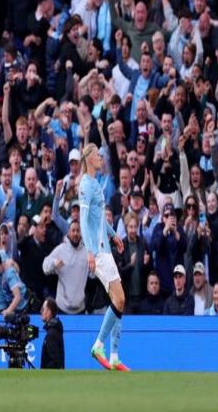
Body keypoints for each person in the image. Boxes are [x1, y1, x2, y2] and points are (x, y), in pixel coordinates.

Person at [79, 143, 129, 372]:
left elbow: (99, 218)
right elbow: (83, 220)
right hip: (98, 251)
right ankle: (98, 345)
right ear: (89, 159)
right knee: (119, 299)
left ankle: (115, 356)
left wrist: (113, 234)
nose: (101, 158)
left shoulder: (96, 183)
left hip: (104, 248)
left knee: (119, 301)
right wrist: (90, 251)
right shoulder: (85, 185)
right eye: (98, 156)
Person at [40, 297, 65, 369]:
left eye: (43, 309)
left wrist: (44, 372)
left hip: (50, 375)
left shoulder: (51, 334)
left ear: (49, 312)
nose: (41, 312)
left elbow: (55, 361)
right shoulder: (55, 330)